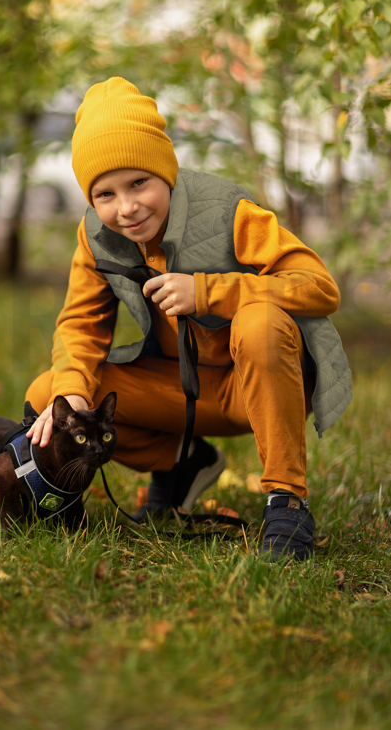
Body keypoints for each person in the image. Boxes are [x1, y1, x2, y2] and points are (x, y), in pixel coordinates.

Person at [26, 77, 352, 561]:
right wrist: (73, 389)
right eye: (106, 194)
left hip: (258, 387)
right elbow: (80, 324)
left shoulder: (228, 212)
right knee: (48, 394)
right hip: (181, 392)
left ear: (166, 171)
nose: (127, 207)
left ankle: (287, 500)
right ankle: (185, 462)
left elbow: (318, 286)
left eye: (139, 183)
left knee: (259, 322)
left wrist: (208, 291)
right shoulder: (95, 235)